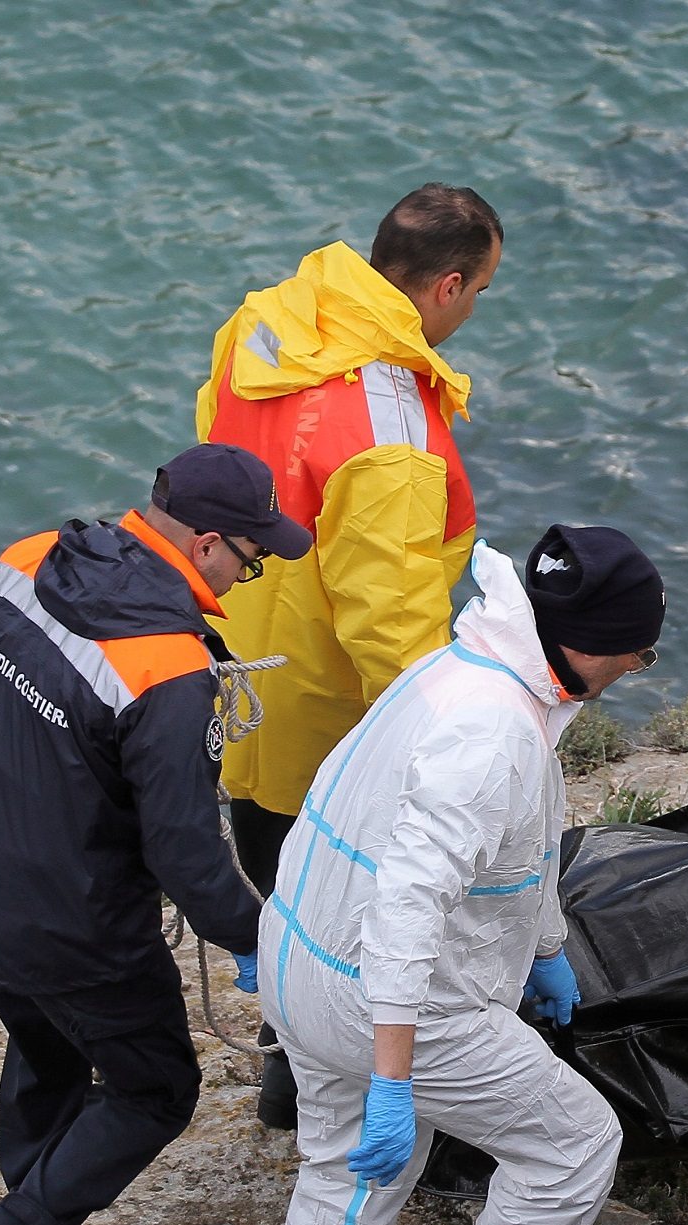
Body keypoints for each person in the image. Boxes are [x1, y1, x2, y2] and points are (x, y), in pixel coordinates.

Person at [237, 526, 665, 1225]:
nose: (630, 673)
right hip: (391, 1002)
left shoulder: (453, 670)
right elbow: (404, 910)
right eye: (637, 655)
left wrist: (544, 948)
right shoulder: (492, 733)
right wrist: (395, 1077)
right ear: (585, 644)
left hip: (301, 963)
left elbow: (517, 845)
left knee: (347, 1190)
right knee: (573, 1144)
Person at [0, 445, 313, 1225]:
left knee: (48, 1047)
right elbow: (185, 853)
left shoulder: (27, 560)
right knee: (153, 1087)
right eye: (252, 556)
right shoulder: (169, 669)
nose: (250, 573)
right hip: (81, 924)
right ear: (209, 543)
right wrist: (262, 943)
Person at [196, 183, 503, 1130]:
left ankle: (284, 1066)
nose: (476, 306)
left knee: (267, 877)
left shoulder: (265, 326)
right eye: (482, 289)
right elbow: (391, 621)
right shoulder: (391, 432)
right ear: (447, 286)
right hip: (326, 723)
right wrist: (439, 755)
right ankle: (323, 1090)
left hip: (234, 668)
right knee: (338, 919)